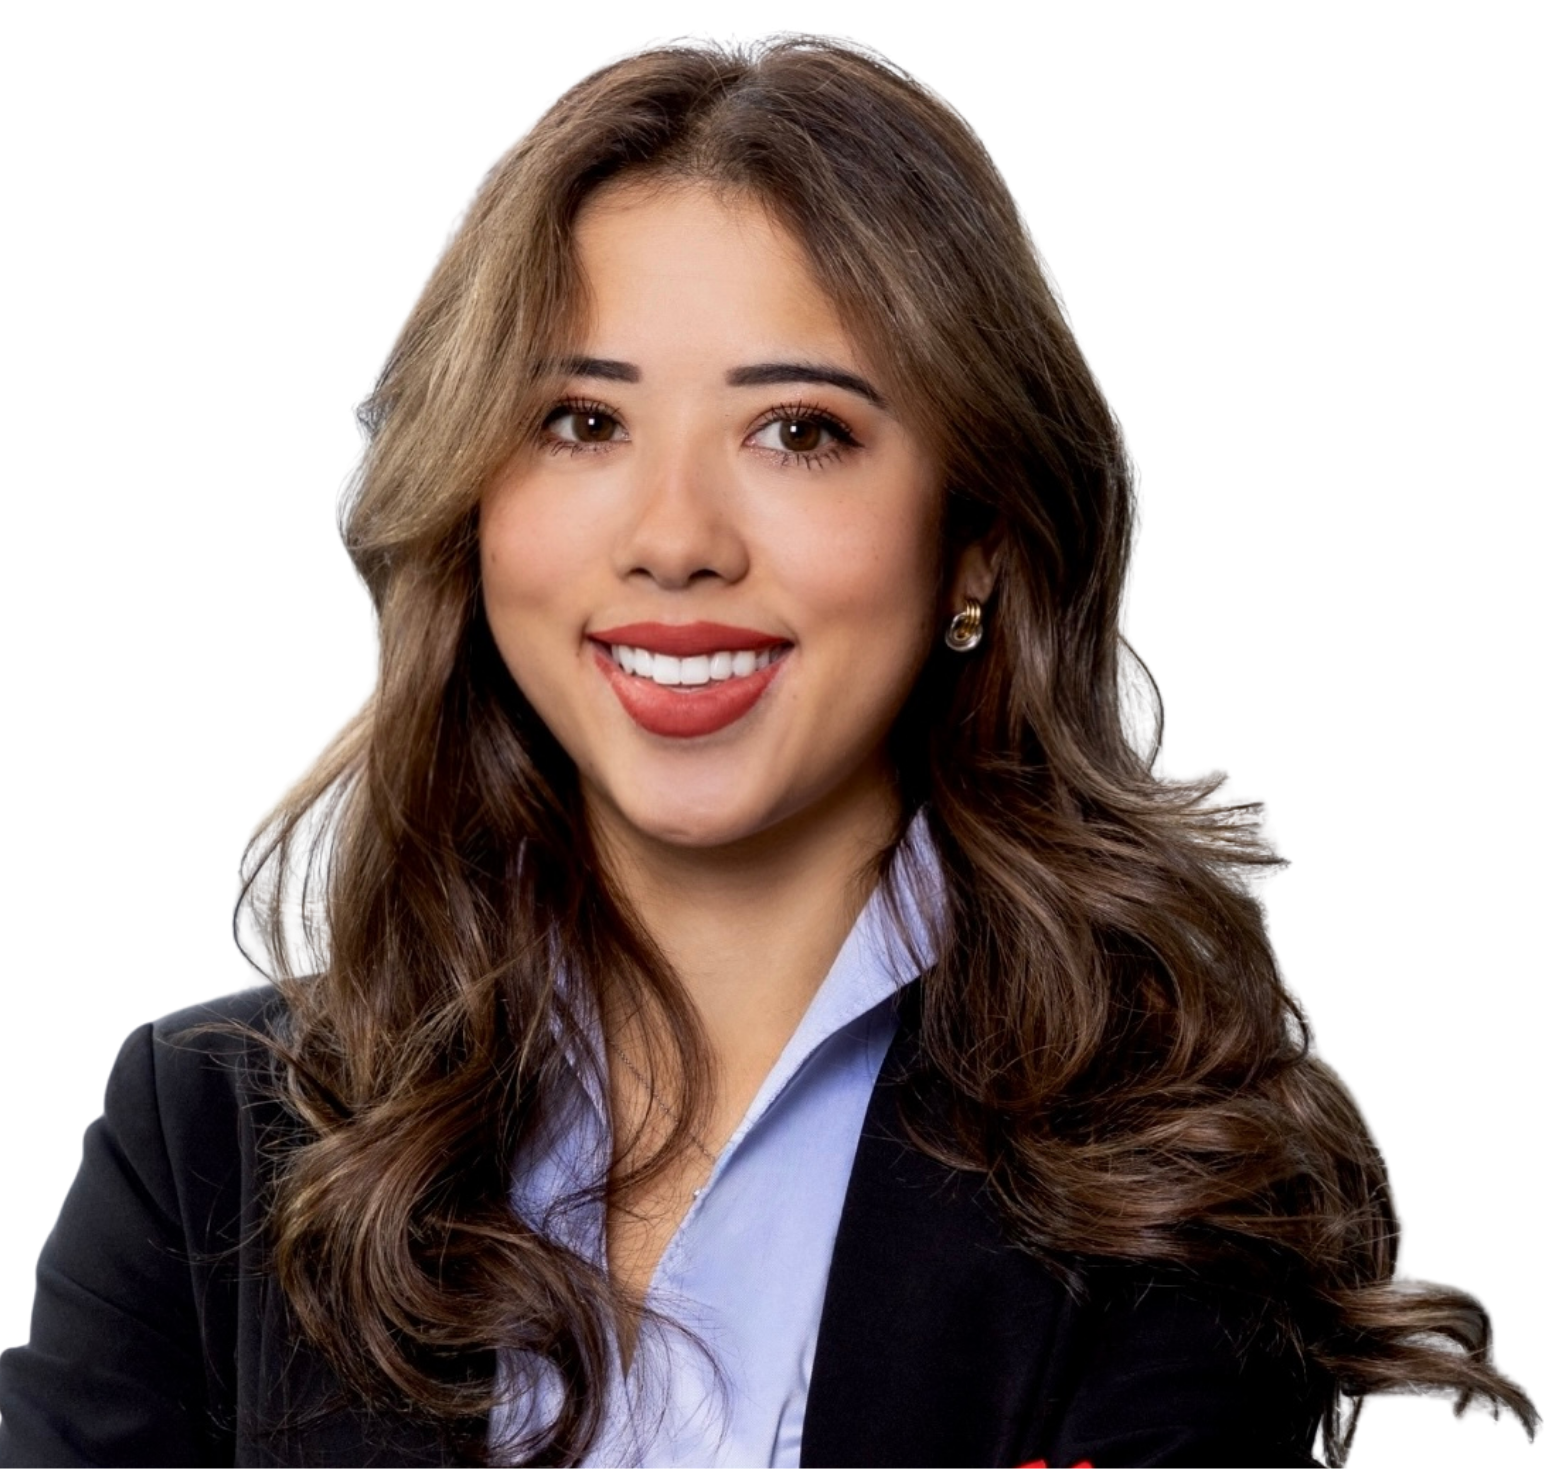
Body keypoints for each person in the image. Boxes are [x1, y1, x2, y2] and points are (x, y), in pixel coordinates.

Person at [0, 35, 1535, 1468]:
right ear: (469, 507)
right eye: (579, 423)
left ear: (979, 544)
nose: (674, 541)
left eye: (799, 430)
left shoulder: (1169, 1182)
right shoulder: (202, 1141)